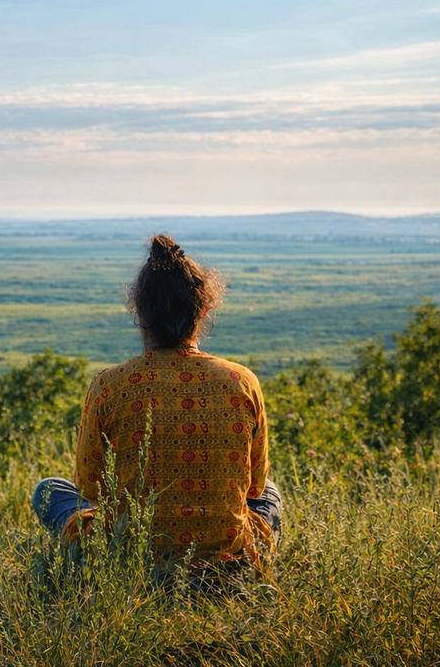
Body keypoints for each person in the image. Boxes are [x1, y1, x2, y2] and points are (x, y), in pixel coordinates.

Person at [32, 234, 282, 573]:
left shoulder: (109, 386)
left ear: (138, 310)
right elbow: (253, 484)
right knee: (268, 492)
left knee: (49, 491)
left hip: (129, 563)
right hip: (226, 565)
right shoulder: (242, 381)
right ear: (203, 312)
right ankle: (242, 563)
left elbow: (91, 486)